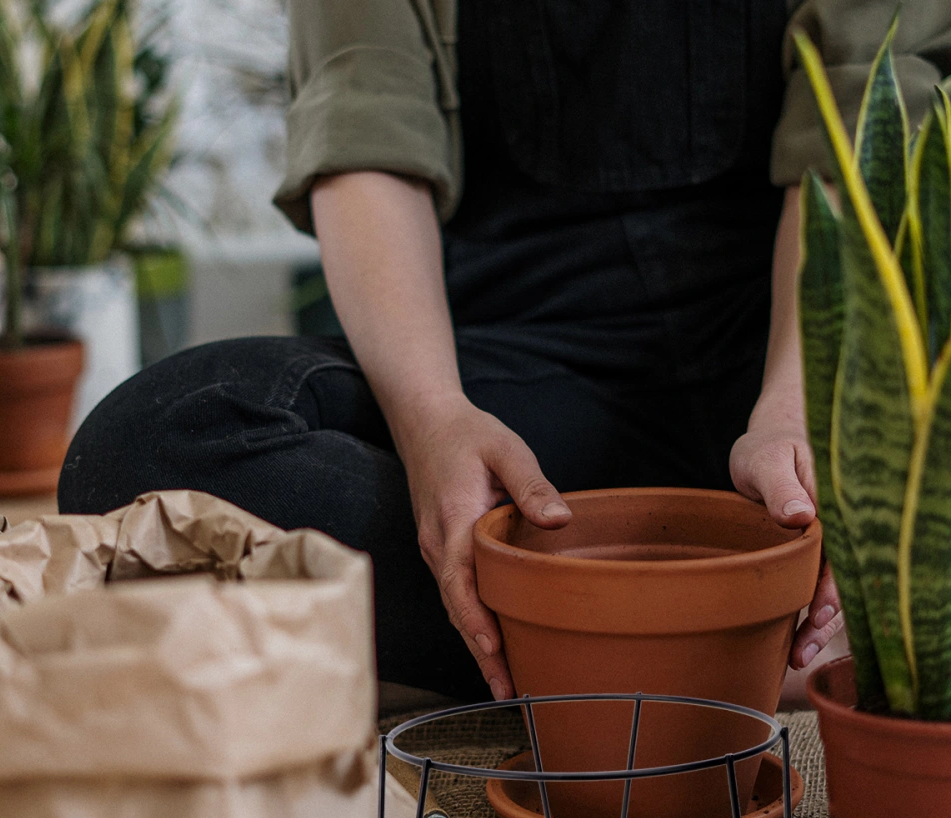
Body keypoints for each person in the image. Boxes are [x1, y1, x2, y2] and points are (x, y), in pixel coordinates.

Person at [58, 0, 951, 704]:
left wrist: (798, 415)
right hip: (521, 396)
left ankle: (606, 646)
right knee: (147, 445)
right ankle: (733, 653)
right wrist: (434, 420)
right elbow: (366, 137)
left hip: (793, 367)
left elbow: (860, 128)